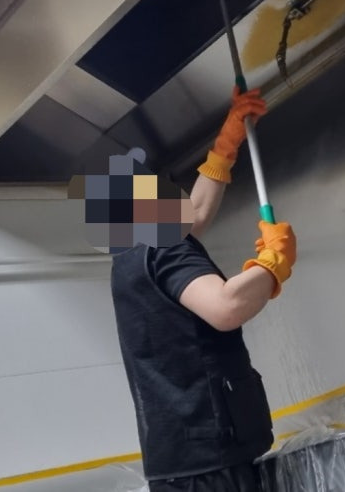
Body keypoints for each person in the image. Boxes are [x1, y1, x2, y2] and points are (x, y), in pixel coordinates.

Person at [92, 87, 297, 491]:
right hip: (208, 465)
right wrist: (274, 262)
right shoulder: (162, 247)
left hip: (183, 464)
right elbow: (227, 307)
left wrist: (225, 148)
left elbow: (197, 214)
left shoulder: (132, 258)